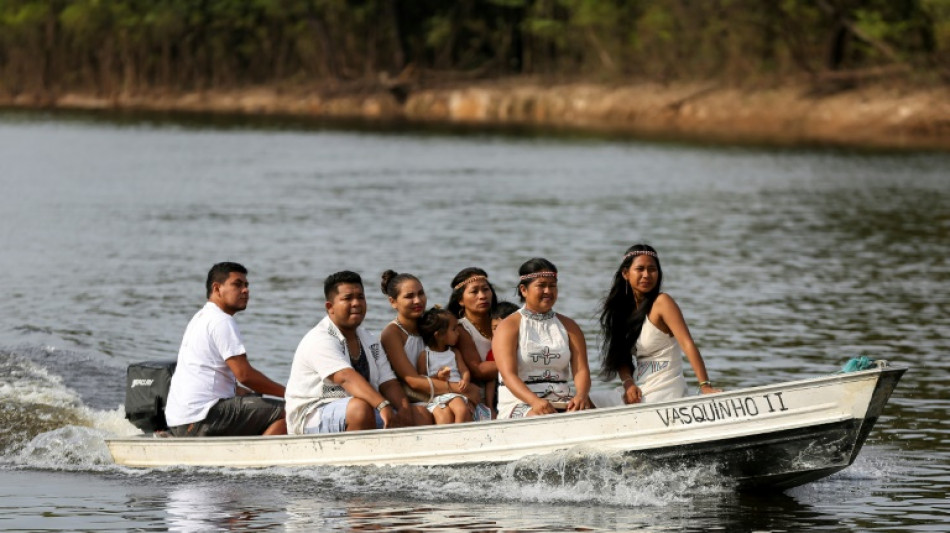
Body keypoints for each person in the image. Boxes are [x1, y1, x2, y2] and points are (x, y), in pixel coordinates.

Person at [164, 262, 286, 437]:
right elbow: (245, 375)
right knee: (292, 413)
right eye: (237, 284)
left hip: (180, 421)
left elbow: (213, 377)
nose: (245, 290)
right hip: (203, 417)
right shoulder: (222, 321)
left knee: (256, 402)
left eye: (246, 285)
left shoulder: (200, 318)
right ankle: (254, 461)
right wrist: (291, 394)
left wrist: (252, 395)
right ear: (217, 288)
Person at [284, 271, 413, 434]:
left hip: (361, 409)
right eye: (348, 298)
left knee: (418, 414)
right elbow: (345, 377)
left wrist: (405, 409)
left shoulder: (369, 339)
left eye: (360, 297)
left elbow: (387, 382)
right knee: (359, 409)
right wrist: (382, 405)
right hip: (312, 414)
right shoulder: (320, 339)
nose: (356, 303)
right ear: (330, 308)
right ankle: (357, 460)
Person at [597, 244, 722, 405]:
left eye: (652, 269)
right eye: (640, 269)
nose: (647, 275)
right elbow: (621, 357)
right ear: (626, 274)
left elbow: (687, 344)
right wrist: (628, 384)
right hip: (637, 390)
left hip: (665, 391)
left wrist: (705, 386)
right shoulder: (622, 311)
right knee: (583, 403)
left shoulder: (662, 302)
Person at [492, 258, 593, 418]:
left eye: (552, 286)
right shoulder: (508, 326)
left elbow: (581, 370)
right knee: (540, 418)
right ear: (524, 290)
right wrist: (535, 402)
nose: (548, 291)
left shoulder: (570, 326)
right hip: (520, 402)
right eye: (541, 286)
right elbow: (508, 375)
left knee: (590, 414)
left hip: (562, 398)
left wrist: (581, 395)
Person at [378, 270, 464, 425]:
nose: (418, 300)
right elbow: (413, 381)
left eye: (421, 293)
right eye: (409, 296)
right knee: (442, 414)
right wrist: (460, 388)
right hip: (411, 396)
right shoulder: (392, 333)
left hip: (440, 390)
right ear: (393, 302)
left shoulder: (430, 325)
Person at [415, 307, 479, 424]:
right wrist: (437, 377)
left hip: (457, 391)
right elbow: (423, 379)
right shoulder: (425, 355)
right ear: (439, 335)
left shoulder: (454, 352)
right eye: (454, 329)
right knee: (460, 410)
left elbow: (464, 370)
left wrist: (465, 380)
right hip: (439, 394)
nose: (458, 333)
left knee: (462, 410)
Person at [447, 267, 499, 404]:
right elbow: (479, 370)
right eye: (474, 291)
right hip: (479, 399)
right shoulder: (460, 329)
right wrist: (522, 360)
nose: (482, 296)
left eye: (486, 289)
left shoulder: (502, 320)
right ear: (461, 301)